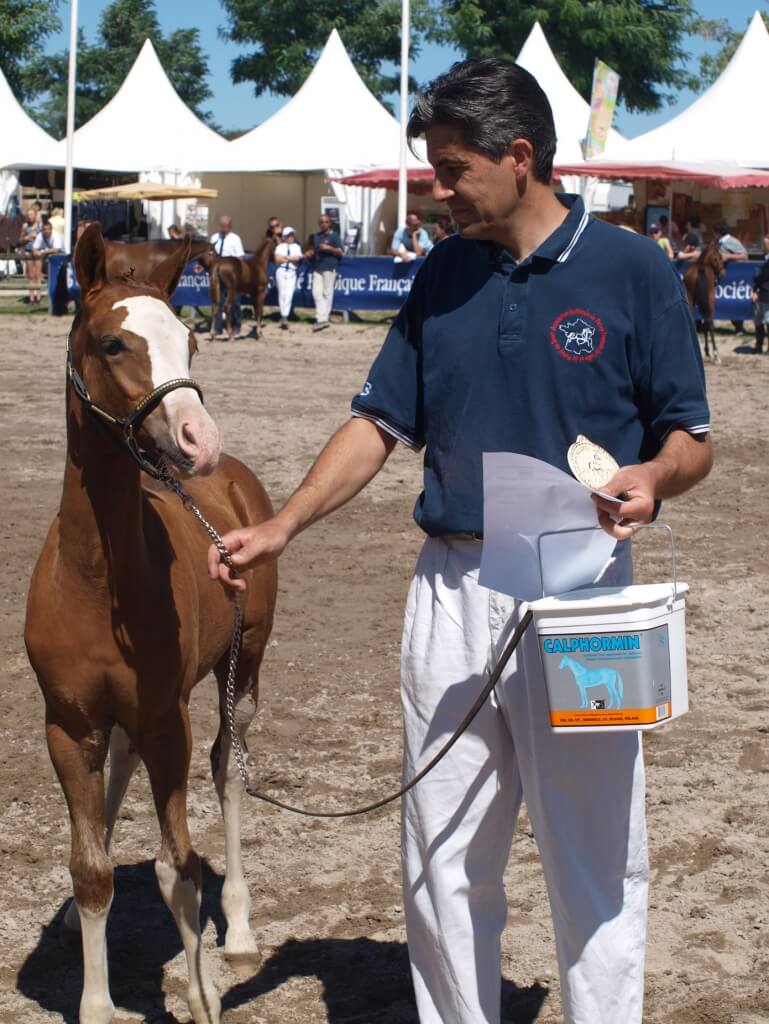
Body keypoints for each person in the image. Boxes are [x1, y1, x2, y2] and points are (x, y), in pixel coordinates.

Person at [207, 58, 713, 1024]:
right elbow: (377, 424)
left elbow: (689, 436)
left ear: (518, 156)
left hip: (584, 590)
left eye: (451, 169)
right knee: (439, 847)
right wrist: (281, 525)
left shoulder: (632, 269)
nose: (436, 190)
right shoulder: (441, 271)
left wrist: (654, 476)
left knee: (594, 851)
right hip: (450, 590)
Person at [304, 213, 343, 332]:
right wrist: (310, 253)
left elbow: (340, 252)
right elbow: (315, 250)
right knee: (316, 293)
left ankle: (322, 319)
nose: (324, 224)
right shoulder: (316, 236)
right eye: (321, 222)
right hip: (317, 267)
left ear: (329, 223)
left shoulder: (334, 236)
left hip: (329, 267)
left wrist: (329, 248)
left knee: (327, 293)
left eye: (326, 222)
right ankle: (322, 318)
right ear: (319, 223)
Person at [210, 215, 245, 339]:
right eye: (221, 226)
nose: (223, 228)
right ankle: (218, 327)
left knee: (234, 301)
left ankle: (236, 325)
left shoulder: (235, 239)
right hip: (218, 272)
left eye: (225, 226)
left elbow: (240, 257)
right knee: (218, 300)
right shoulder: (214, 237)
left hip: (231, 274)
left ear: (230, 226)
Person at [714, 219, 748, 333]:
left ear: (717, 232)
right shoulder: (717, 242)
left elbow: (744, 256)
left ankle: (739, 327)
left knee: (734, 302)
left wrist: (728, 256)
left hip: (733, 278)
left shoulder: (732, 241)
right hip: (721, 277)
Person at [274, 225, 303, 329]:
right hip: (281, 271)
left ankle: (285, 315)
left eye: (292, 235)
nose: (291, 237)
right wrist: (290, 258)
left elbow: (297, 258)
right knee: (282, 294)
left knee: (289, 293)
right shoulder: (280, 247)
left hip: (291, 272)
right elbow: (277, 259)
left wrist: (286, 258)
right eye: (289, 235)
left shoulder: (296, 247)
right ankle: (283, 315)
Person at [29, 219, 63, 305]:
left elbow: (56, 249)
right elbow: (34, 248)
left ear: (51, 229)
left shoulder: (55, 235)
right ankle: (35, 299)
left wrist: (42, 251)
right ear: (42, 230)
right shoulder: (40, 235)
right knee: (34, 275)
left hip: (60, 258)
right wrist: (37, 252)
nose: (46, 231)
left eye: (48, 229)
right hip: (48, 258)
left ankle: (58, 298)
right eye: (45, 229)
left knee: (59, 279)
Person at [18, 207, 41, 303]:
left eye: (32, 215)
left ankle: (38, 297)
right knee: (31, 275)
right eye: (28, 215)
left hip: (38, 251)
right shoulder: (25, 226)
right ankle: (31, 298)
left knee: (38, 275)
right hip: (28, 250)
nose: (30, 217)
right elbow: (20, 240)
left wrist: (37, 237)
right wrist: (27, 237)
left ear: (35, 215)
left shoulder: (40, 225)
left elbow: (43, 238)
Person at [752, 232, 769, 353]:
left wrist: (757, 281)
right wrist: (756, 289)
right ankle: (759, 345)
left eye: (766, 244)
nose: (764, 247)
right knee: (758, 320)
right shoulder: (765, 258)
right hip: (762, 292)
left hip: (766, 293)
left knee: (767, 320)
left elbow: (763, 276)